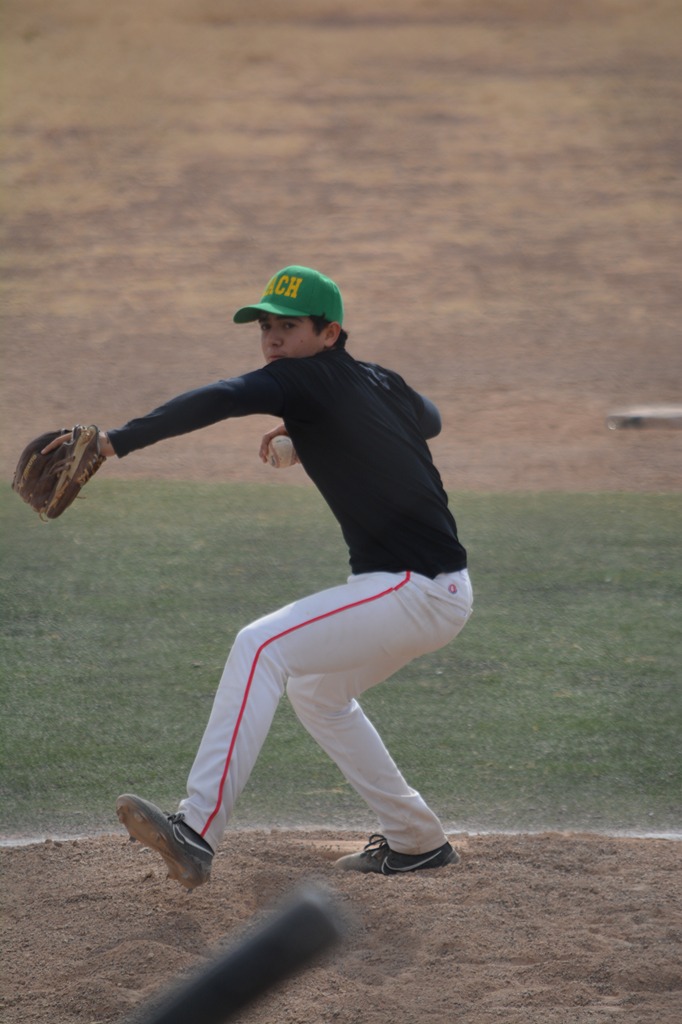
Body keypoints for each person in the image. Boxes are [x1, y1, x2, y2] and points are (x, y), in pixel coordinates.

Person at [45, 265, 473, 888]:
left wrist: (116, 442)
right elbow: (426, 420)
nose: (273, 339)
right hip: (430, 590)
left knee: (259, 645)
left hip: (415, 588)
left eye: (289, 326)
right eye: (266, 326)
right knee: (319, 694)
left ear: (329, 333)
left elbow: (221, 397)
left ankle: (195, 831)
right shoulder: (377, 379)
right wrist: (315, 432)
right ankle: (417, 841)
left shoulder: (305, 380)